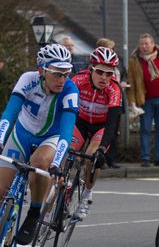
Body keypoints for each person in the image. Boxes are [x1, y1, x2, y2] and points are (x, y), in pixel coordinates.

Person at [0, 44, 79, 245]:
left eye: (66, 73)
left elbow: (67, 131)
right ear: (42, 70)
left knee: (40, 161)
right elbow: (10, 113)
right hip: (21, 134)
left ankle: (34, 214)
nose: (62, 79)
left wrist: (57, 163)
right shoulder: (28, 80)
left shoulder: (70, 89)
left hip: (50, 138)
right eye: (57, 74)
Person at [70, 47, 121, 219]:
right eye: (100, 72)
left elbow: (112, 124)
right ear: (91, 68)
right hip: (80, 122)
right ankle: (62, 184)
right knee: (65, 150)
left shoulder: (114, 89)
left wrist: (103, 149)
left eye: (109, 73)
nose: (104, 78)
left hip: (101, 126)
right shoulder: (78, 80)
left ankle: (87, 195)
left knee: (92, 157)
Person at [127, 33, 159, 167]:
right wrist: (132, 102)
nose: (144, 46)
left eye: (146, 43)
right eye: (141, 44)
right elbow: (130, 82)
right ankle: (145, 158)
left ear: (153, 44)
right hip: (145, 101)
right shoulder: (134, 60)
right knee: (145, 129)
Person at [96, 37, 126, 169]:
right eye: (110, 48)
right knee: (99, 131)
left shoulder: (117, 64)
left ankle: (110, 158)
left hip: (115, 100)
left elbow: (122, 77)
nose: (113, 51)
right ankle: (98, 158)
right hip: (101, 102)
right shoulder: (95, 65)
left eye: (113, 49)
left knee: (113, 131)